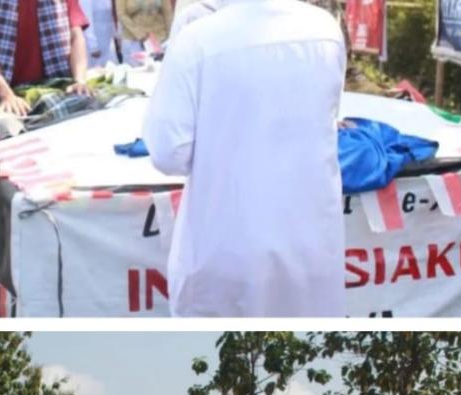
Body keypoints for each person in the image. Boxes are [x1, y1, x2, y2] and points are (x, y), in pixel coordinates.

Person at [142, 0, 347, 317]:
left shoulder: (197, 40)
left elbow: (168, 152)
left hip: (227, 252)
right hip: (311, 249)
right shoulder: (325, 30)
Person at [0, 0, 92, 117]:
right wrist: (6, 95)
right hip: (12, 93)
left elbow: (76, 36)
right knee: (4, 128)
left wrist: (79, 81)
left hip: (59, 87)